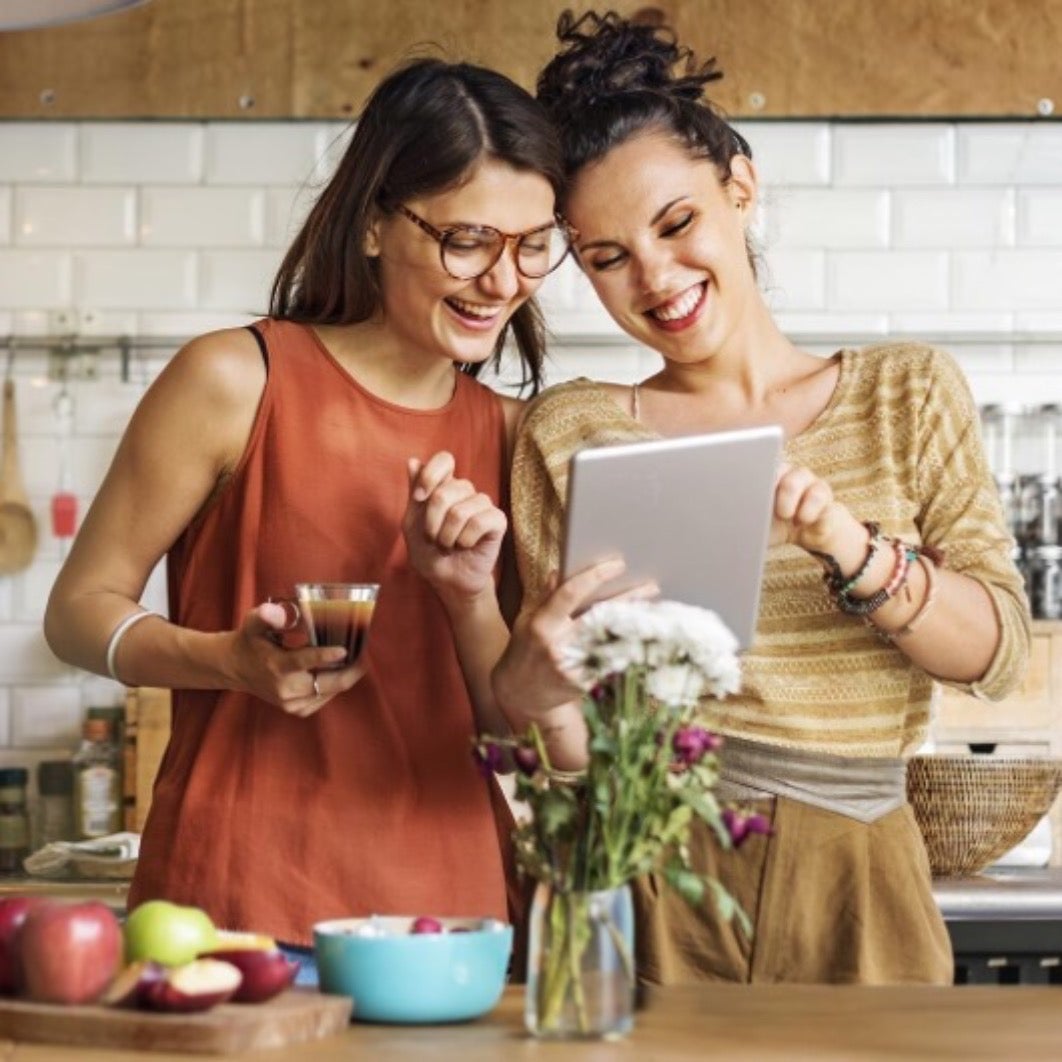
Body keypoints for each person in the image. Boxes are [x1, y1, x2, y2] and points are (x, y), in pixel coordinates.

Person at [491, 10, 1031, 985]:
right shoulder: (565, 432)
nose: (654, 276)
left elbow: (995, 655)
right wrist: (532, 685)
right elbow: (554, 727)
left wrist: (848, 544)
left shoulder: (903, 392)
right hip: (643, 860)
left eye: (677, 222)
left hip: (860, 866)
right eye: (606, 257)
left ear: (739, 186)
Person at [43, 57, 575, 957]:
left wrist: (469, 599)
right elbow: (74, 614)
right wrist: (227, 661)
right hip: (237, 907)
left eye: (532, 244)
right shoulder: (234, 380)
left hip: (453, 923)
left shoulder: (522, 438)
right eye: (469, 240)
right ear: (374, 223)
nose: (503, 280)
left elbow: (522, 733)